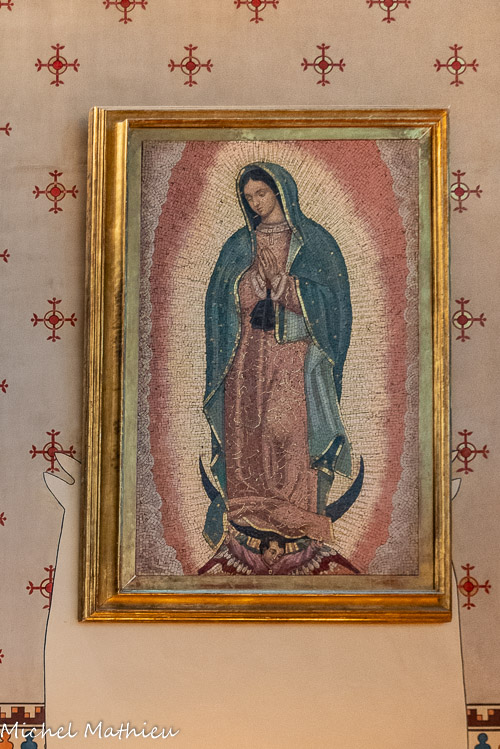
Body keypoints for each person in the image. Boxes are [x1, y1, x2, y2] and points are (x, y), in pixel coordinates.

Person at [200, 162, 363, 575]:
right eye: (249, 197)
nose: (256, 203)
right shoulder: (239, 244)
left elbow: (335, 307)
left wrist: (288, 286)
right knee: (247, 431)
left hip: (293, 355)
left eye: (262, 194)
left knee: (285, 428)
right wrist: (251, 286)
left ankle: (297, 518)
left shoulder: (315, 242)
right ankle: (249, 515)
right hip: (247, 356)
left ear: (280, 191)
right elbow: (218, 302)